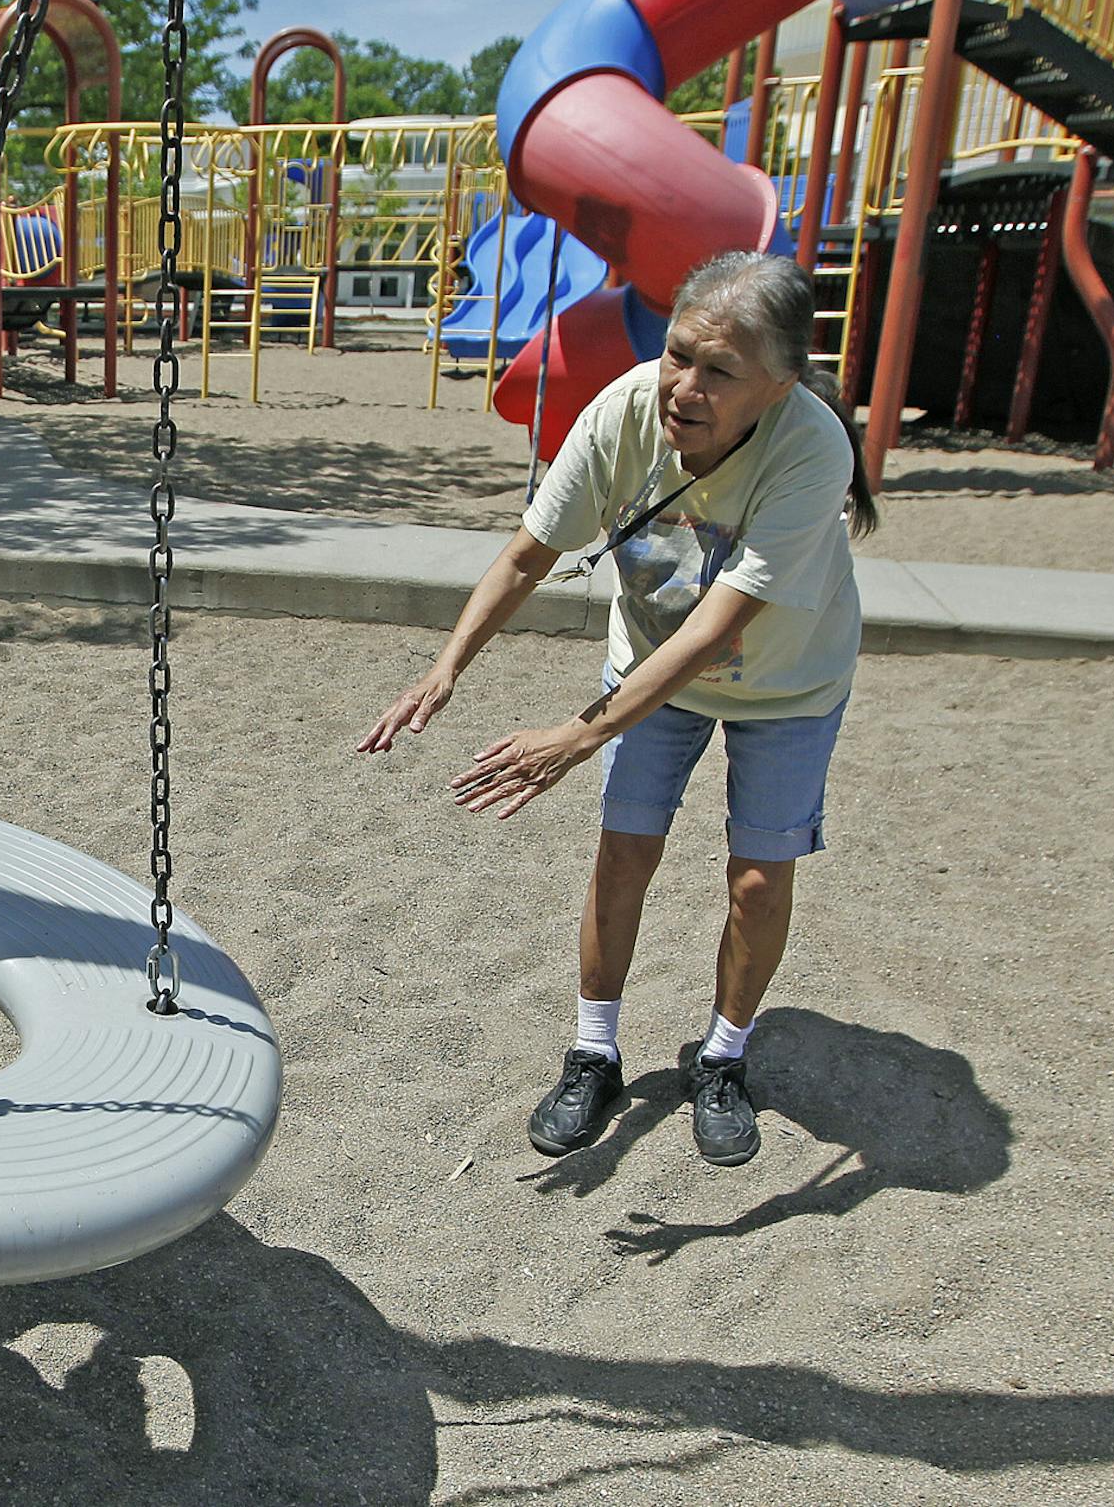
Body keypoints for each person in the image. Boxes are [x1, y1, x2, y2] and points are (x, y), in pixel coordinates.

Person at [357, 250, 878, 1169]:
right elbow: (527, 556)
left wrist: (578, 732)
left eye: (720, 371)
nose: (686, 386)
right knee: (625, 848)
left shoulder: (812, 449)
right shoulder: (624, 413)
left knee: (759, 878)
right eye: (680, 354)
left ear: (780, 383)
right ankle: (593, 1050)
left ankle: (721, 1058)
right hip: (648, 663)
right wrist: (446, 669)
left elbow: (719, 629)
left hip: (790, 683)